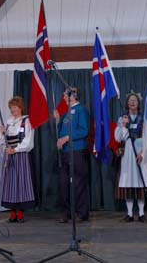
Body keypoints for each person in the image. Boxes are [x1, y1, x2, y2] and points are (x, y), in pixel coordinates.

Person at [54, 87, 90, 223]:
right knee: (64, 183)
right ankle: (66, 212)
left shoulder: (81, 110)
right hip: (65, 152)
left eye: (65, 94)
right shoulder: (66, 113)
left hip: (77, 151)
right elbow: (62, 131)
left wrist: (67, 138)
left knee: (78, 183)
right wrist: (58, 121)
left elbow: (84, 130)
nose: (63, 97)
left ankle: (81, 213)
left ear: (73, 96)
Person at [0, 96, 35, 223]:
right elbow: (0, 141)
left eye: (15, 107)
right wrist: (2, 134)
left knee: (20, 182)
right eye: (11, 107)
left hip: (20, 155)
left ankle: (20, 213)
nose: (13, 110)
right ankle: (12, 212)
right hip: (9, 155)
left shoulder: (27, 121)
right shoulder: (8, 123)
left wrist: (15, 149)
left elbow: (28, 141)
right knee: (9, 184)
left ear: (20, 108)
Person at [114, 92, 147, 222]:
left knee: (141, 181)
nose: (133, 102)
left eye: (135, 100)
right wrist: (123, 125)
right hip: (128, 153)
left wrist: (143, 152)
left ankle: (141, 213)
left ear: (138, 103)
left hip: (140, 151)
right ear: (127, 103)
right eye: (130, 100)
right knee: (128, 182)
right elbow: (118, 138)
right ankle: (129, 214)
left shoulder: (144, 118)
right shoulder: (122, 118)